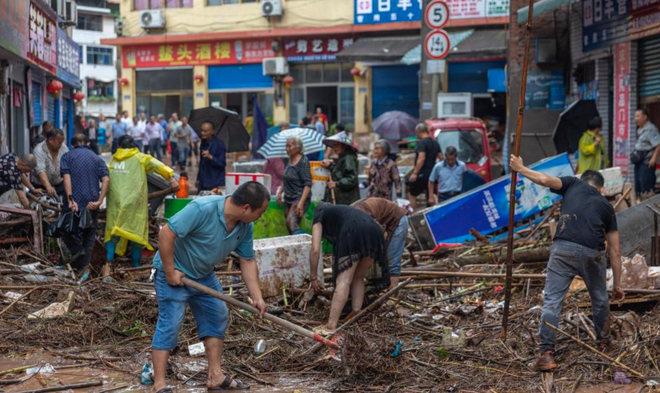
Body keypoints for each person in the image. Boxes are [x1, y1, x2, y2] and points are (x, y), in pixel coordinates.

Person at [509, 155, 624, 371]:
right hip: (593, 252)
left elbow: (544, 180)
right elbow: (616, 251)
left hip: (563, 248)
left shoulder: (572, 183)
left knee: (552, 301)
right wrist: (617, 285)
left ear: (583, 180)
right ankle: (604, 344)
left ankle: (547, 354)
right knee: (600, 298)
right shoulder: (606, 206)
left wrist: (521, 168)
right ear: (601, 188)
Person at [151, 182, 269, 393]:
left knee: (217, 314)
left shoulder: (245, 226)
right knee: (170, 323)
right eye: (260, 212)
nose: (260, 217)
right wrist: (170, 272)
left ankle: (215, 376)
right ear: (246, 208)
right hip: (175, 272)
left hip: (203, 275)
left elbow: (247, 261)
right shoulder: (202, 209)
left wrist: (257, 297)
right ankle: (159, 384)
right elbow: (166, 234)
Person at [309, 203, 388, 333]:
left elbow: (315, 249)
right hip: (375, 231)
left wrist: (313, 277)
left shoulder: (319, 215)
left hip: (353, 230)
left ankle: (330, 326)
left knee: (344, 280)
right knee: (358, 276)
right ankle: (356, 313)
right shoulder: (343, 211)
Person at [105, 135, 177, 268]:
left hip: (116, 203)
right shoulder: (140, 158)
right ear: (134, 146)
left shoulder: (113, 162)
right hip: (135, 202)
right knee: (135, 232)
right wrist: (171, 179)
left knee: (113, 232)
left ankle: (108, 263)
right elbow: (158, 165)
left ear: (119, 146)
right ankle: (136, 265)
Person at [60, 134, 109, 272]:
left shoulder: (67, 157)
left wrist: (70, 199)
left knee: (66, 232)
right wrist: (99, 200)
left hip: (74, 203)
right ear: (87, 143)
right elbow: (106, 180)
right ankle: (83, 268)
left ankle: (78, 252)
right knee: (89, 235)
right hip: (92, 204)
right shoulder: (97, 159)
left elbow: (66, 178)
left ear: (73, 145)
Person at [352, 197, 408, 290]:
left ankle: (391, 294)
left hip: (397, 220)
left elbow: (383, 235)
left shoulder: (363, 217)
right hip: (380, 221)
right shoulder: (350, 219)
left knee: (392, 261)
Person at [276, 136, 312, 235]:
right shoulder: (289, 161)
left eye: (290, 146)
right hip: (288, 197)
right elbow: (285, 178)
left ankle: (306, 242)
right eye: (286, 146)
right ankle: (295, 247)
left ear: (298, 147)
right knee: (289, 225)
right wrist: (279, 193)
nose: (287, 149)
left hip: (299, 197)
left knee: (291, 222)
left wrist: (301, 202)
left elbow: (308, 184)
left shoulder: (303, 161)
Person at [407, 123, 440, 209]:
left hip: (423, 173)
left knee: (412, 193)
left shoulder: (422, 143)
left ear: (419, 132)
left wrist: (415, 173)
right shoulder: (435, 143)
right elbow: (441, 157)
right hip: (433, 174)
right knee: (431, 195)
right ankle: (435, 213)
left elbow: (421, 158)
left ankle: (413, 214)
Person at [321, 132, 360, 205]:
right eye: (334, 145)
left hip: (347, 200)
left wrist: (336, 184)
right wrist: (330, 166)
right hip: (342, 200)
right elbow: (340, 173)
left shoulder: (349, 158)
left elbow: (351, 178)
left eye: (337, 145)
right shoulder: (343, 157)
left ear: (344, 146)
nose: (334, 148)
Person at [632, 108, 660, 200]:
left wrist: (654, 158)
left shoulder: (651, 129)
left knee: (646, 186)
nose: (635, 118)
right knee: (638, 185)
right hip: (639, 161)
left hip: (647, 162)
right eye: (635, 116)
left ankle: (648, 208)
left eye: (638, 116)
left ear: (645, 117)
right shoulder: (640, 129)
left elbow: (658, 144)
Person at [33, 128, 69, 198]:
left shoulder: (63, 147)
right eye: (59, 142)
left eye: (62, 142)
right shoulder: (39, 150)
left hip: (60, 184)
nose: (61, 144)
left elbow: (68, 165)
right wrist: (48, 187)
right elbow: (41, 171)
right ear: (50, 140)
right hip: (41, 187)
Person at [196, 121, 227, 192]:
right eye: (201, 130)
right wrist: (198, 179)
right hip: (203, 182)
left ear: (212, 132)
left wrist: (211, 157)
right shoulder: (203, 143)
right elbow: (201, 163)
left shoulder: (220, 144)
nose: (202, 133)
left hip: (215, 182)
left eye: (205, 131)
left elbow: (222, 164)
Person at [262, 122, 289, 195]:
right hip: (275, 189)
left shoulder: (273, 156)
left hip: (270, 187)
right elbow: (282, 174)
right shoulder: (276, 158)